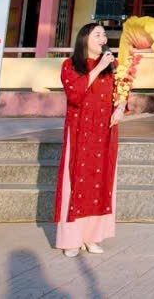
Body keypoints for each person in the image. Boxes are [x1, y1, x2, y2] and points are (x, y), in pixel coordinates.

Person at [56, 22, 124, 257]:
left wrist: (121, 107)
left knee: (100, 182)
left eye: (103, 35)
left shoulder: (113, 66)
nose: (103, 38)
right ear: (84, 39)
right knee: (76, 182)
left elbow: (122, 90)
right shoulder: (70, 65)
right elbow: (75, 94)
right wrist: (99, 67)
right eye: (97, 34)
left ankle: (92, 237)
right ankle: (71, 240)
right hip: (80, 131)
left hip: (105, 130)